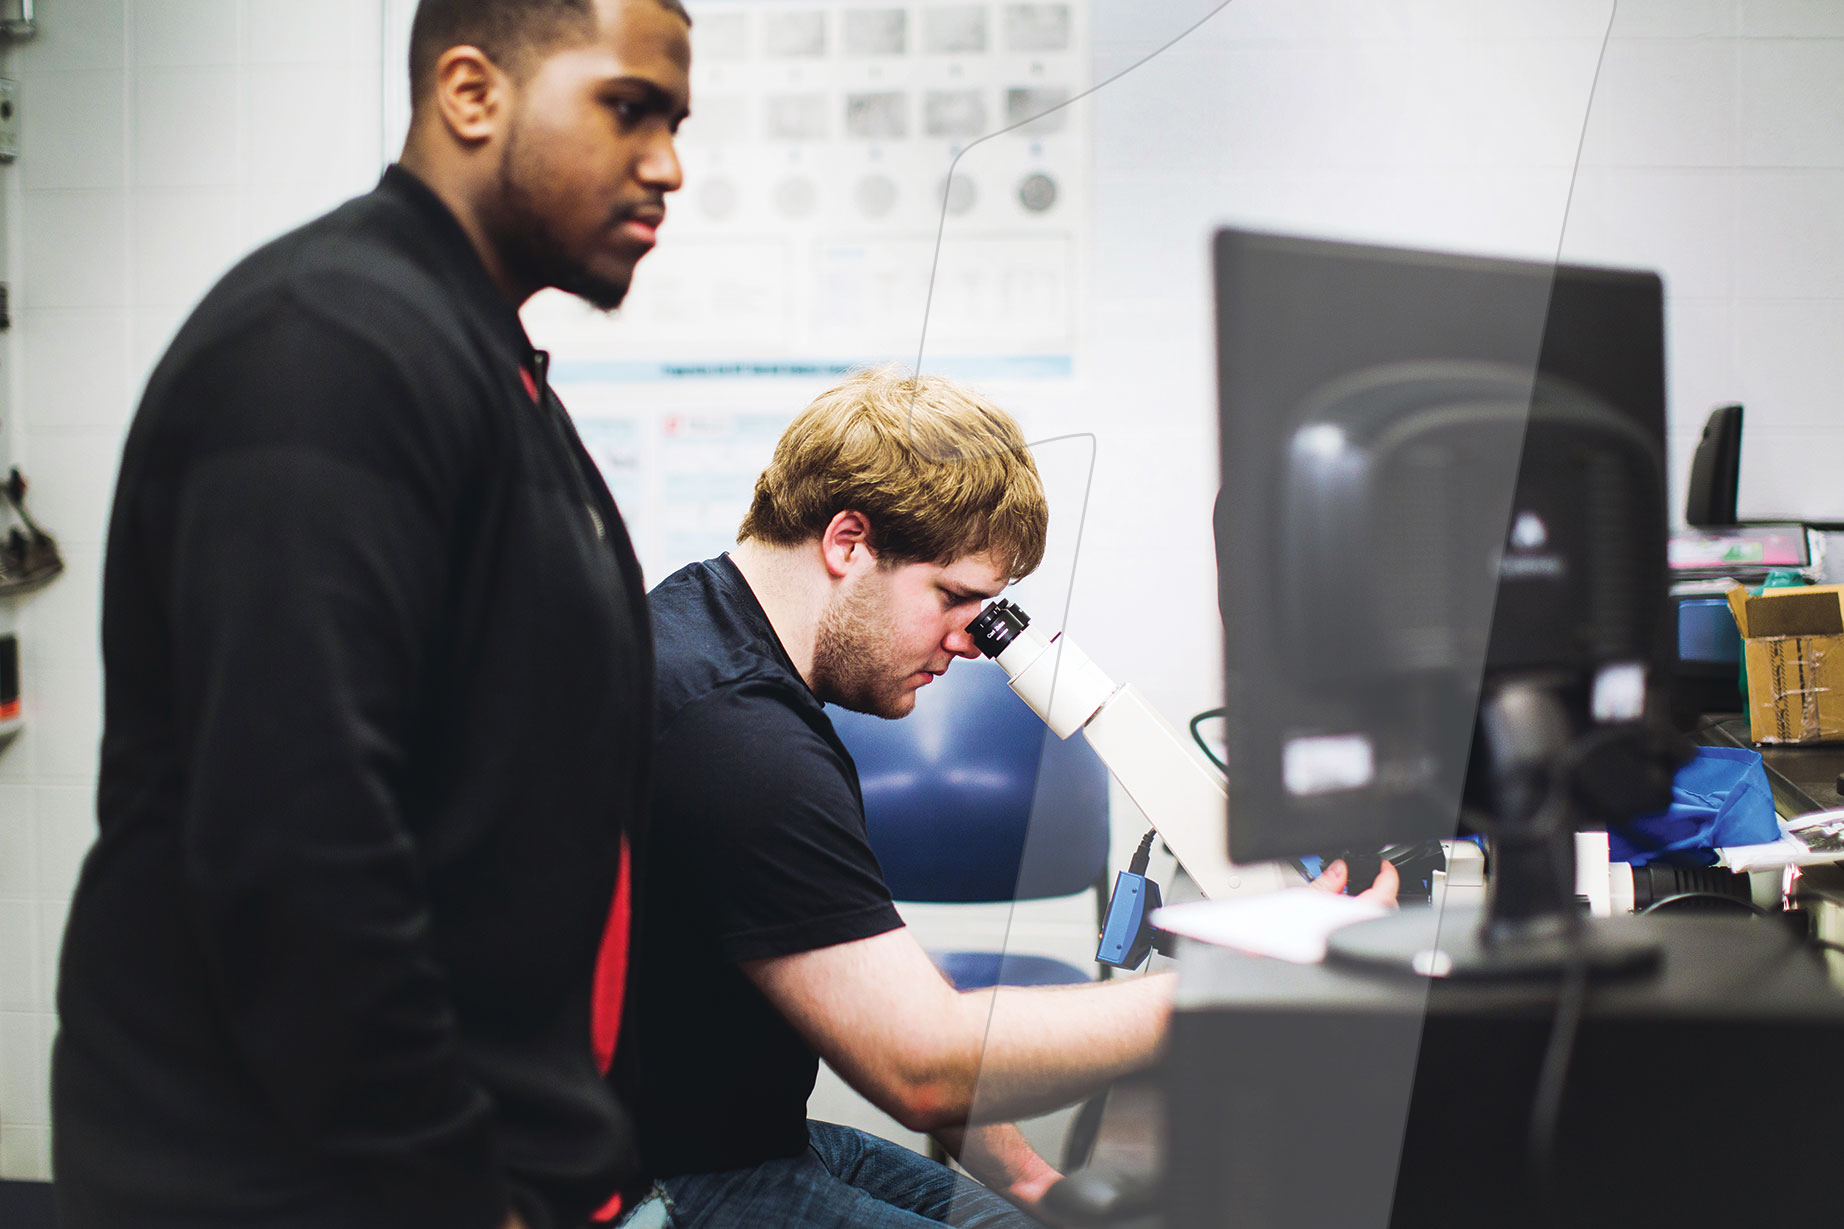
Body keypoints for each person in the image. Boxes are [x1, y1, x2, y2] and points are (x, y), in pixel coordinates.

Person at [51, 3, 690, 1227]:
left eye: (675, 121)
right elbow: (296, 842)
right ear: (470, 93)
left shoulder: (471, 357)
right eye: (627, 107)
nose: (667, 162)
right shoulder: (330, 345)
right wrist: (455, 1190)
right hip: (312, 1185)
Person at [623, 367, 1398, 1227]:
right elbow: (922, 1063)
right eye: (956, 598)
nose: (972, 640)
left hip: (758, 1138)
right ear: (848, 541)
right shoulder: (735, 731)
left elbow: (889, 992)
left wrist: (1029, 1179)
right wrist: (1246, 982)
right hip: (667, 1181)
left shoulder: (720, 643)